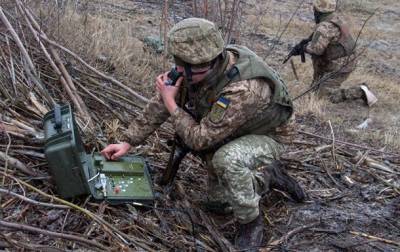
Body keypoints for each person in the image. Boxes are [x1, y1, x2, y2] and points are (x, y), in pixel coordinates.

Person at [101, 18, 305, 250]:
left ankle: (251, 222)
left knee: (227, 160)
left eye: (182, 67)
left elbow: (199, 139)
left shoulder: (243, 89)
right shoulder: (195, 67)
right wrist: (128, 141)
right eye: (176, 64)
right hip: (235, 127)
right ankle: (266, 178)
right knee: (220, 203)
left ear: (204, 64)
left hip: (268, 134)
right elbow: (161, 104)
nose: (176, 71)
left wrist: (172, 103)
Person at [299, 0, 377, 105]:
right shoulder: (336, 19)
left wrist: (303, 47)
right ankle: (317, 84)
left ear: (317, 11)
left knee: (322, 96)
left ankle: (359, 91)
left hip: (341, 66)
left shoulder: (324, 27)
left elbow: (316, 50)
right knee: (314, 92)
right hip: (344, 61)